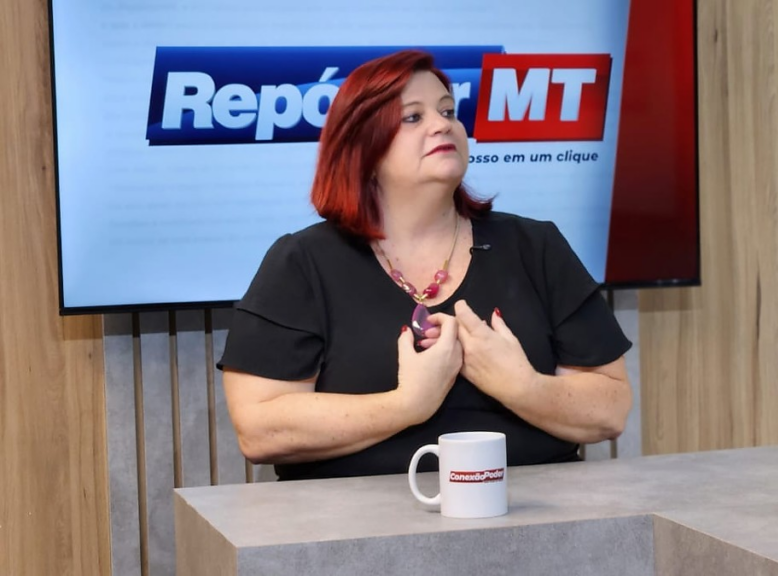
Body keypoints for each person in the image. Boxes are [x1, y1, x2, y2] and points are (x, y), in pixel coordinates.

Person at [218, 49, 632, 481]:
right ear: (362, 148)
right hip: (349, 519)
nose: (442, 124)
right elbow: (260, 430)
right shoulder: (303, 263)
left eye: (448, 111)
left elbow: (610, 409)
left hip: (537, 511)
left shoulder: (536, 246)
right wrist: (407, 404)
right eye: (413, 117)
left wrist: (522, 386)